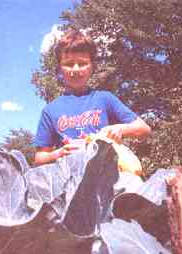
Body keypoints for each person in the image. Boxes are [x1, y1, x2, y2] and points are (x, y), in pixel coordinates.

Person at [34, 30, 151, 165]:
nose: (76, 69)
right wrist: (58, 153)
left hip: (106, 176)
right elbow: (39, 158)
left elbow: (144, 129)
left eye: (83, 63)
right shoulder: (50, 110)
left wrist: (120, 129)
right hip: (69, 179)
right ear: (60, 68)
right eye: (69, 64)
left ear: (92, 67)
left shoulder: (105, 99)